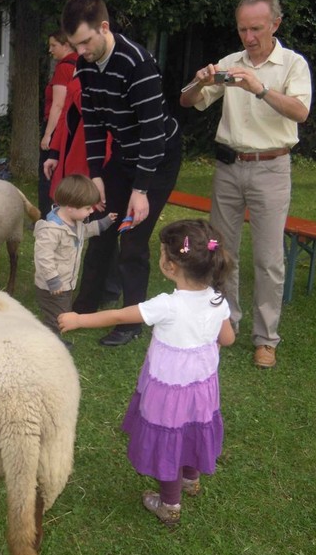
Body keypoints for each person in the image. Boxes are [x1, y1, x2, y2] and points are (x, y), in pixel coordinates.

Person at [59, 219, 235, 526]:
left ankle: (169, 504)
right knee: (193, 429)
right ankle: (190, 480)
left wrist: (78, 320)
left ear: (170, 265)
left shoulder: (166, 305)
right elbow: (228, 339)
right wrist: (208, 347)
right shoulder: (217, 299)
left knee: (170, 440)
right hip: (202, 388)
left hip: (169, 391)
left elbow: (118, 315)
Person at [179, 0, 311, 369]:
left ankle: (266, 339)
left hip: (271, 168)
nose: (249, 37)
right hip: (228, 167)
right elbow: (187, 101)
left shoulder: (292, 64)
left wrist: (261, 89)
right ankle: (226, 325)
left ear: (275, 24)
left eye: (256, 29)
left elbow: (300, 111)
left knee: (269, 259)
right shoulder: (229, 62)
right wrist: (199, 81)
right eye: (242, 29)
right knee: (221, 251)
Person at [59, 0, 182, 347]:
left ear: (104, 27)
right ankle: (85, 306)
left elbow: (153, 132)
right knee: (102, 226)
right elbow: (95, 123)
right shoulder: (86, 65)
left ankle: (131, 321)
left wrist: (140, 191)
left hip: (158, 157)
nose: (81, 51)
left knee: (132, 239)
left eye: (86, 42)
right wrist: (97, 175)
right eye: (75, 45)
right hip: (123, 155)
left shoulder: (136, 64)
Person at [33, 175, 117, 348]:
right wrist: (53, 279)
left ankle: (50, 337)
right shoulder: (51, 230)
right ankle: (51, 343)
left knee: (62, 311)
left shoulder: (74, 222)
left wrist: (103, 223)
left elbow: (84, 231)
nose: (91, 211)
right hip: (52, 285)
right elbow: (43, 257)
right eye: (87, 208)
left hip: (65, 283)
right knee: (58, 315)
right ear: (71, 207)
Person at [38, 29, 79, 216]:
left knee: (47, 172)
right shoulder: (79, 64)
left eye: (54, 45)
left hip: (57, 127)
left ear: (66, 45)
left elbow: (59, 104)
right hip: (70, 127)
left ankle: (47, 216)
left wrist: (48, 134)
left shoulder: (64, 67)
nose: (50, 50)